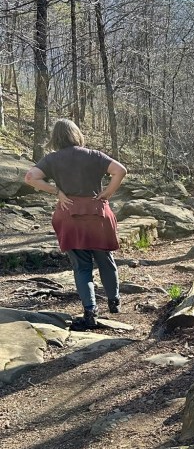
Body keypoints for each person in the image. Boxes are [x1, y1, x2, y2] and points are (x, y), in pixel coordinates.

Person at [24, 119, 128, 329]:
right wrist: (107, 192)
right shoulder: (93, 155)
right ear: (77, 134)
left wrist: (57, 191)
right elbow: (120, 170)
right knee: (105, 260)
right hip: (97, 215)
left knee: (81, 267)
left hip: (70, 216)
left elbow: (30, 177)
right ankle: (114, 301)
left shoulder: (52, 159)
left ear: (55, 138)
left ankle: (90, 311)